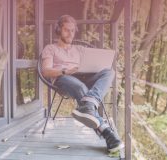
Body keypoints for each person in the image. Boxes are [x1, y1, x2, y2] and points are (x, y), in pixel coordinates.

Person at [41, 15, 124, 153]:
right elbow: (46, 71)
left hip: (84, 78)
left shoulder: (79, 49)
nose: (70, 33)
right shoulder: (50, 48)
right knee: (80, 87)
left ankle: (87, 106)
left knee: (109, 72)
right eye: (67, 30)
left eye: (73, 30)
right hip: (64, 79)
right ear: (58, 30)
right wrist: (64, 70)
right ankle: (106, 132)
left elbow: (92, 64)